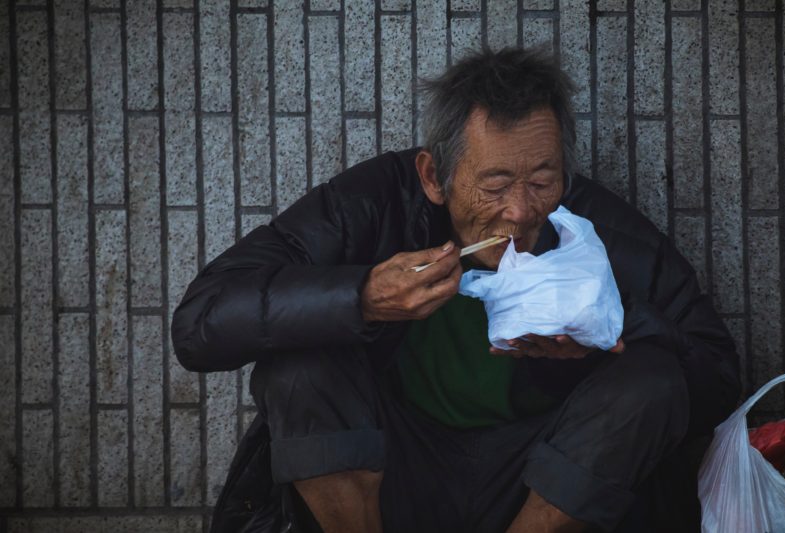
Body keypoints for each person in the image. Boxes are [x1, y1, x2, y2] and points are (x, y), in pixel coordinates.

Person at [171, 47, 741, 532]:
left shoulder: (597, 232)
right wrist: (362, 297)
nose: (521, 212)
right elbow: (200, 323)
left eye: (543, 180)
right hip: (390, 472)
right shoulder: (374, 206)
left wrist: (611, 329)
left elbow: (715, 378)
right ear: (432, 177)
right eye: (494, 184)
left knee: (653, 375)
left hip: (538, 486)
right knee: (301, 360)